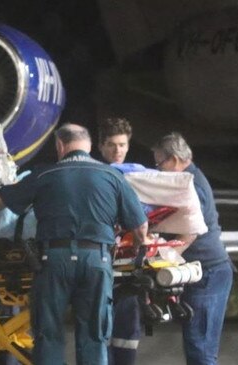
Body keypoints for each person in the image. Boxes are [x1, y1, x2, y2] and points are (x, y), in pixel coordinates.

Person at [0, 123, 149, 365]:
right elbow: (141, 228)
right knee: (94, 335)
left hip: (54, 261)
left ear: (60, 145)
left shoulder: (45, 174)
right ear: (90, 146)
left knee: (48, 335)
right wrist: (138, 251)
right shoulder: (113, 176)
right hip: (96, 261)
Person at [151, 132, 233, 365]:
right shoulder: (191, 179)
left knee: (200, 347)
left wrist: (164, 256)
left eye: (160, 163)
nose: (159, 170)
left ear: (175, 159)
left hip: (208, 272)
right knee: (197, 344)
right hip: (205, 271)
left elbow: (191, 230)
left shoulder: (191, 185)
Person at [98, 117, 142, 365]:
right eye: (113, 145)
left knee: (127, 332)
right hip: (101, 264)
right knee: (100, 331)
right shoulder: (95, 175)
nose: (118, 151)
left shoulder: (137, 175)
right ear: (102, 147)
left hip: (127, 266)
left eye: (123, 145)